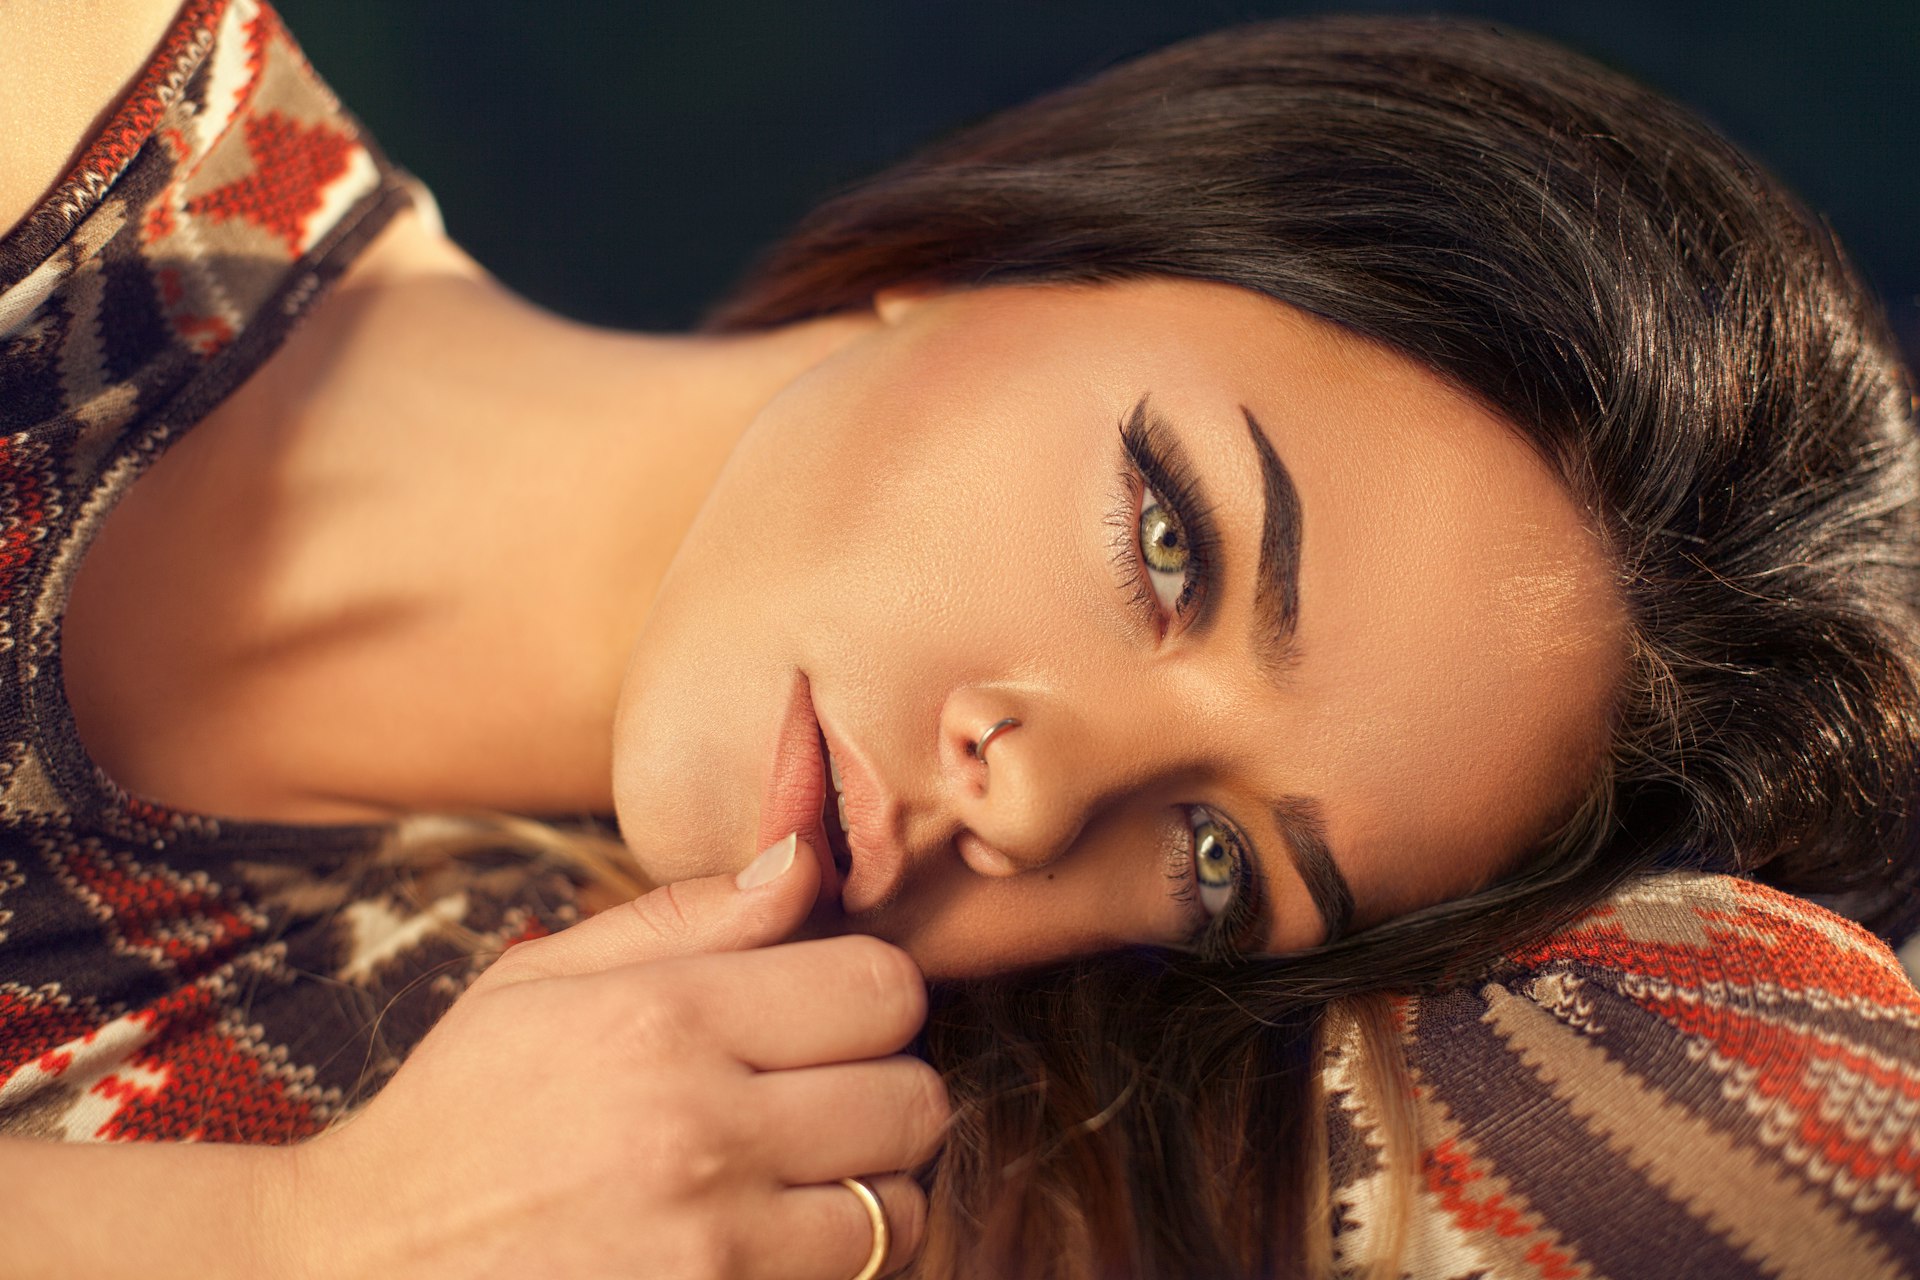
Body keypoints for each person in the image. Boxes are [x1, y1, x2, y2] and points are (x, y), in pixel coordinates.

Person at [1, 1, 1916, 1277]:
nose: (1047, 789)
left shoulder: (598, 1177)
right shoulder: (74, 101)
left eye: (1217, 857)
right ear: (1007, 250)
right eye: (1171, 540)